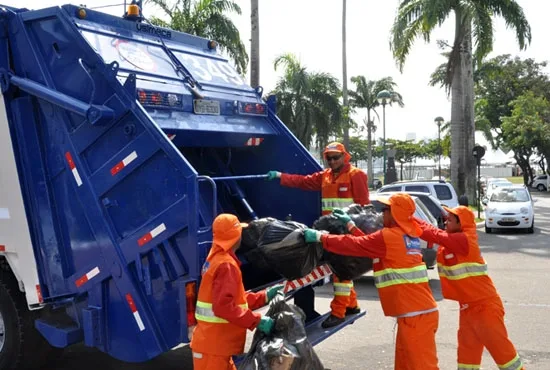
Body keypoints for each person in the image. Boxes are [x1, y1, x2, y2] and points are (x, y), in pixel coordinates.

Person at [302, 193, 439, 369]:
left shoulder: (389, 237)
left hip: (416, 317)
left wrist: (321, 237)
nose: (382, 214)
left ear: (396, 214)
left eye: (386, 210)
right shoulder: (406, 236)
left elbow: (355, 245)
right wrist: (350, 224)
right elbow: (367, 245)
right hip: (417, 314)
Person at [266, 141, 369, 328]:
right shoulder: (325, 176)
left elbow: (364, 208)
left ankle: (338, 312)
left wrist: (354, 230)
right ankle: (351, 305)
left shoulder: (356, 175)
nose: (331, 161)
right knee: (341, 271)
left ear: (345, 156)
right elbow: (303, 182)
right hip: (329, 231)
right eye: (328, 158)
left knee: (342, 274)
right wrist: (280, 176)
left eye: (335, 157)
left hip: (347, 232)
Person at [415, 206, 525, 370]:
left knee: (504, 356)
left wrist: (407, 219)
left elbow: (434, 234)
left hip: (485, 308)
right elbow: (432, 230)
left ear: (462, 224)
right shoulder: (455, 240)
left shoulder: (464, 239)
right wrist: (409, 216)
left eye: (450, 220)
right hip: (468, 308)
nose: (446, 221)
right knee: (467, 358)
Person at [190, 213, 284, 370]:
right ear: (235, 235)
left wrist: (263, 296)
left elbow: (234, 300)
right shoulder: (226, 265)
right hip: (214, 348)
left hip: (215, 345)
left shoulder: (216, 258)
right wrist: (257, 321)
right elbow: (224, 307)